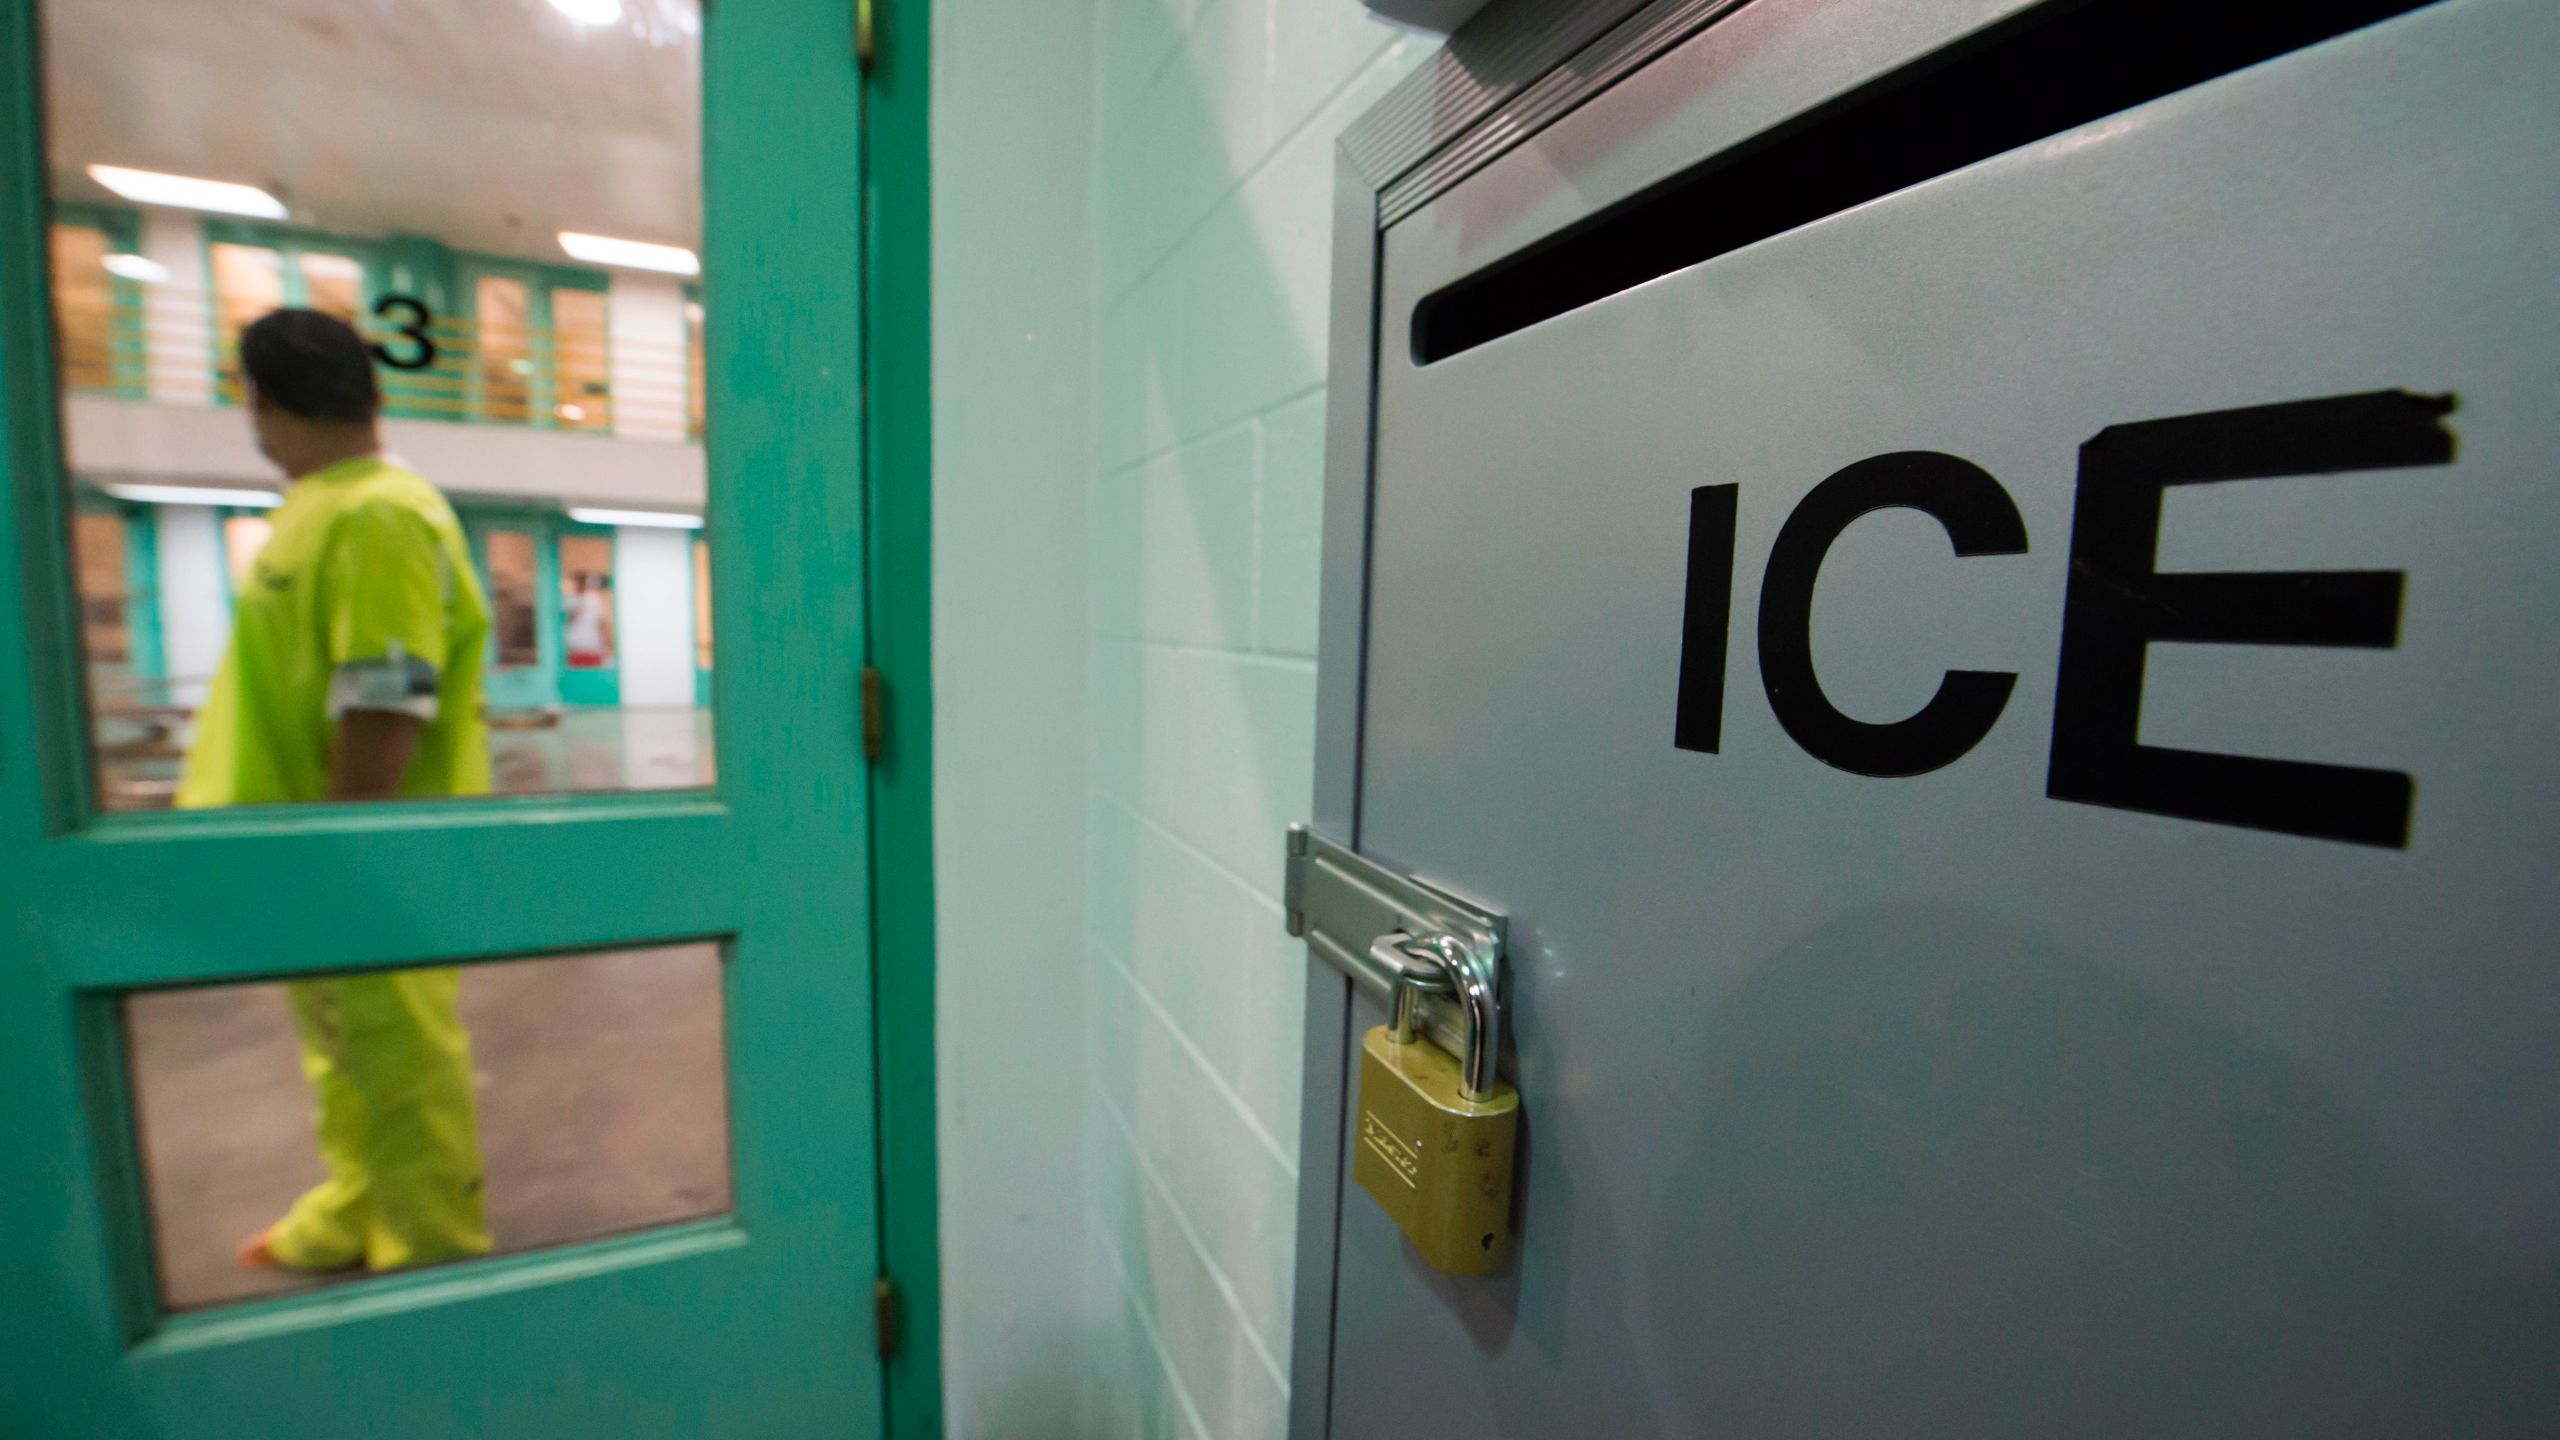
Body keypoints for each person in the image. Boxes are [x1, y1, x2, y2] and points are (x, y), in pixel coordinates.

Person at [176, 307, 496, 1276]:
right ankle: (358, 1206)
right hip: (306, 848)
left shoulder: (380, 513)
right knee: (342, 1051)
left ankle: (432, 1250)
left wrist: (349, 844)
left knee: (398, 1059)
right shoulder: (321, 509)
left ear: (257, 399)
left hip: (362, 854)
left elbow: (386, 696)